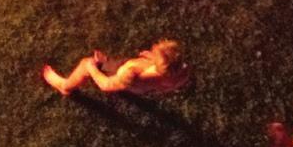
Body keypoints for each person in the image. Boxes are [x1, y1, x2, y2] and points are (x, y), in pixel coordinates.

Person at [40, 39, 191, 97]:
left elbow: (106, 85)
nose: (154, 47)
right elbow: (166, 70)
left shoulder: (132, 73)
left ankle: (65, 86)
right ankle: (104, 63)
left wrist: (92, 68)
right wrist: (153, 59)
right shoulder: (182, 71)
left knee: (85, 63)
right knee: (111, 65)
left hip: (122, 76)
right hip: (141, 81)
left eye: (156, 52)